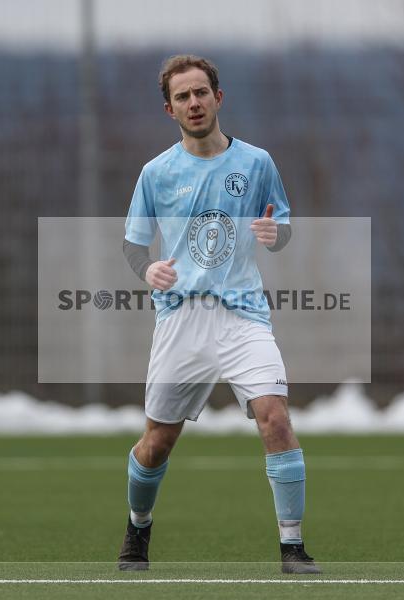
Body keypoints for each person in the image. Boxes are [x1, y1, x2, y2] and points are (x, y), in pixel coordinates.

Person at [118, 55, 319, 574]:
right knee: (158, 443)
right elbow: (135, 245)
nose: (194, 102)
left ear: (218, 98)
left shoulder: (256, 164)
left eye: (201, 92)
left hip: (243, 315)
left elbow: (284, 225)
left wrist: (278, 235)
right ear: (170, 109)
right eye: (183, 97)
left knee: (274, 416)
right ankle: (137, 530)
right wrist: (148, 272)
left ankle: (292, 549)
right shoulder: (156, 173)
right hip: (181, 320)